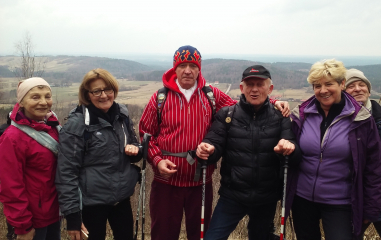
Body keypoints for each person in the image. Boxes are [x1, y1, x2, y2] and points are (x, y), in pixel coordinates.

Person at [138, 45, 289, 240]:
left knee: (199, 235)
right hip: (166, 183)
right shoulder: (160, 98)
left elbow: (244, 107)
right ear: (174, 69)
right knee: (163, 234)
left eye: (193, 65)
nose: (187, 70)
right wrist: (157, 160)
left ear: (199, 69)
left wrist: (273, 101)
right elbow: (145, 134)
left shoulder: (210, 95)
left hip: (199, 181)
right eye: (182, 65)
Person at [196, 65, 301, 240]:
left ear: (270, 88)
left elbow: (295, 156)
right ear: (241, 88)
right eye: (249, 84)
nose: (254, 89)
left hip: (266, 198)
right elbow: (214, 142)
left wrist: (289, 149)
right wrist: (207, 148)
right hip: (232, 195)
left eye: (260, 84)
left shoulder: (280, 117)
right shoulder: (227, 114)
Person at [286, 59, 381, 240]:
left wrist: (370, 208)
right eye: (317, 86)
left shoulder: (361, 119)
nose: (323, 90)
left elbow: (375, 168)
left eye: (328, 84)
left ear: (341, 84)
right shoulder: (302, 115)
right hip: (302, 199)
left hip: (340, 202)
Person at [55, 68, 142, 240]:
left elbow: (134, 146)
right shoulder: (77, 125)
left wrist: (137, 150)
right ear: (87, 95)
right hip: (91, 204)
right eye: (97, 91)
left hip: (121, 199)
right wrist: (72, 215)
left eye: (108, 89)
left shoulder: (122, 115)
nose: (104, 95)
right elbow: (66, 173)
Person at [0, 77, 61, 240]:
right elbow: (10, 186)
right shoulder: (12, 138)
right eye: (35, 97)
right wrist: (22, 225)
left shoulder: (52, 128)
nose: (43, 102)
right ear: (22, 102)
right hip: (32, 220)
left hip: (54, 213)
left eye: (47, 96)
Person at [345, 68, 381, 240]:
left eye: (362, 85)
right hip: (353, 200)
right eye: (351, 86)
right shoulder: (339, 122)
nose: (357, 89)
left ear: (369, 90)